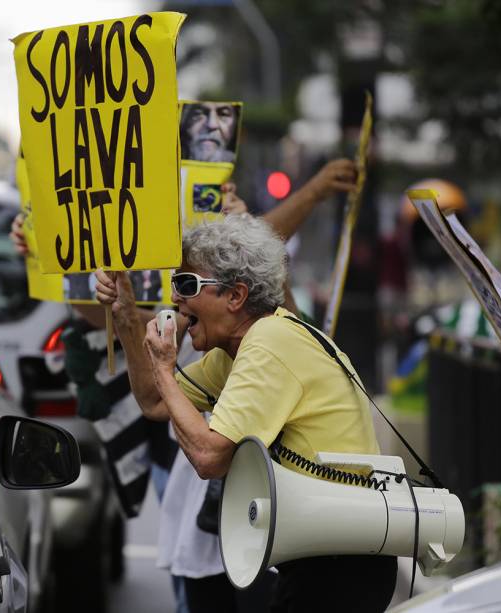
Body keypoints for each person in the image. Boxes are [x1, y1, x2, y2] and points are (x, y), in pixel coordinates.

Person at [94, 215, 398, 612]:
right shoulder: (240, 347)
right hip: (325, 551)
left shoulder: (269, 343)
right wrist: (124, 314)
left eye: (187, 285)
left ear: (235, 296)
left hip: (343, 558)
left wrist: (166, 369)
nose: (176, 299)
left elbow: (209, 457)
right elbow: (154, 402)